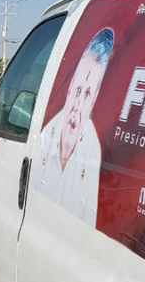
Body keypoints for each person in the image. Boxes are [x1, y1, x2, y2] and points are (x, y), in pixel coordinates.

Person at [32, 28, 114, 226]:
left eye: (87, 94)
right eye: (77, 90)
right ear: (69, 90)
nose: (77, 105)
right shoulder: (46, 134)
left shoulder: (93, 151)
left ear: (94, 101)